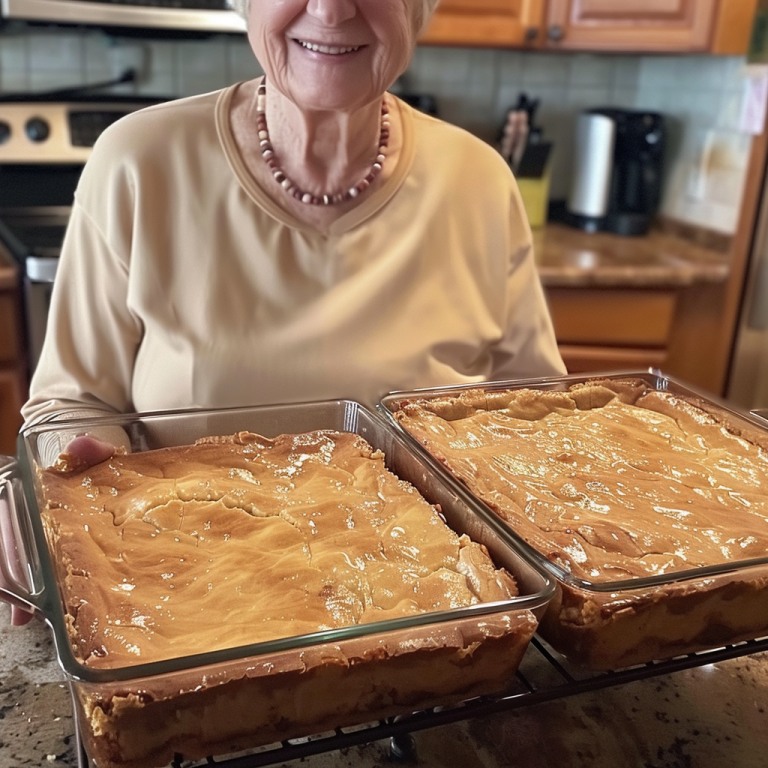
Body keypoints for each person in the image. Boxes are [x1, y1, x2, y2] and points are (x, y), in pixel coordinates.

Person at [7, 0, 565, 623]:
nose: (329, 10)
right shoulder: (138, 161)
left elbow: (536, 425)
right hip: (195, 606)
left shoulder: (480, 180)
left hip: (437, 617)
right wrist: (61, 480)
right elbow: (69, 406)